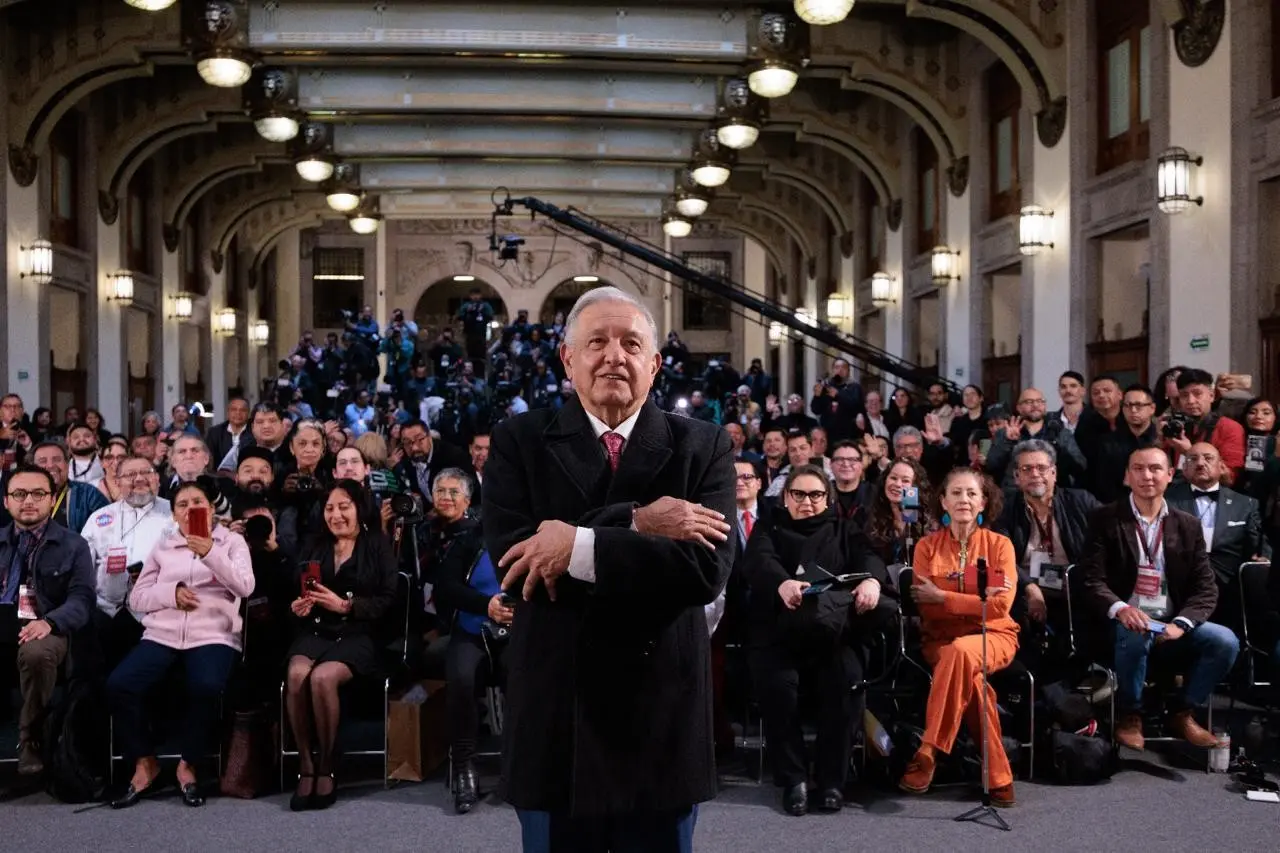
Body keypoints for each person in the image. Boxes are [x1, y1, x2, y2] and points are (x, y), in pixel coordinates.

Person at [482, 286, 735, 853]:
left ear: (655, 363)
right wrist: (641, 522)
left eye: (630, 343)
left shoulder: (704, 445)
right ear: (568, 359)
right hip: (557, 709)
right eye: (596, 341)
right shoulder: (518, 441)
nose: (613, 356)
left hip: (660, 711)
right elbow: (516, 563)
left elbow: (703, 571)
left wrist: (574, 541)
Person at [744, 465, 890, 816]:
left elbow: (869, 558)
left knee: (846, 683)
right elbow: (759, 562)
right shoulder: (769, 528)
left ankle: (831, 781)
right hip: (780, 635)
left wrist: (872, 581)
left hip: (833, 635)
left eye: (816, 495)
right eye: (799, 494)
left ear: (827, 498)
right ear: (786, 497)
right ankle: (793, 779)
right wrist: (782, 582)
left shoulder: (844, 529)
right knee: (778, 687)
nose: (808, 502)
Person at [1077, 446, 1239, 750]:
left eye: (1154, 469)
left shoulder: (1187, 525)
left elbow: (1206, 587)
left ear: (1169, 475)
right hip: (1121, 623)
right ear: (1127, 476)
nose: (1146, 476)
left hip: (1170, 622)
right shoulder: (1105, 518)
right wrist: (1121, 608)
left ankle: (1182, 711)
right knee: (1135, 630)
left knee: (1225, 641)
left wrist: (1182, 623)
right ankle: (1130, 714)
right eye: (1138, 469)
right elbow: (1091, 579)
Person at [107, 479, 255, 809]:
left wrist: (210, 553)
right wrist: (170, 594)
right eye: (182, 505)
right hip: (162, 633)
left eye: (197, 503)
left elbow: (245, 586)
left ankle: (188, 765)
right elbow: (139, 597)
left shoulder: (231, 542)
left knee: (205, 685)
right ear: (174, 514)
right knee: (120, 684)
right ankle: (145, 763)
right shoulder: (164, 547)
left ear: (212, 509)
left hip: (213, 633)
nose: (190, 509)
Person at [900, 468, 1019, 807]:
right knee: (975, 684)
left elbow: (1000, 608)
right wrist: (974, 599)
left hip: (994, 637)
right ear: (943, 501)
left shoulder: (1000, 546)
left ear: (983, 501)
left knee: (962, 652)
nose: (963, 499)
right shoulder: (926, 546)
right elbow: (927, 609)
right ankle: (998, 776)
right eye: (955, 493)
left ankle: (929, 749)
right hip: (940, 640)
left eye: (971, 493)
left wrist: (945, 595)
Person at [284, 480, 399, 811]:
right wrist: (299, 606)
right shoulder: (313, 544)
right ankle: (305, 764)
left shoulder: (378, 544)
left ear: (359, 508)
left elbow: (389, 600)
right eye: (330, 508)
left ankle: (328, 765)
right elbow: (299, 590)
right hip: (317, 629)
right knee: (296, 675)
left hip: (360, 633)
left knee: (322, 678)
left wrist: (347, 606)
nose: (336, 515)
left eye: (344, 506)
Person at [1, 465, 95, 775]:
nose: (28, 500)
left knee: (37, 652)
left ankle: (31, 739)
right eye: (19, 494)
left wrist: (50, 622)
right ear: (6, 501)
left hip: (47, 625)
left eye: (38, 493)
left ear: (52, 499)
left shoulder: (73, 545)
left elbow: (82, 600)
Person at [430, 470, 502, 814]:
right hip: (471, 630)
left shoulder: (533, 534)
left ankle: (519, 765)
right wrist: (485, 605)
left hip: (519, 632)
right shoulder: (471, 538)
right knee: (460, 678)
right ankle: (464, 768)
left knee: (531, 676)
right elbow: (446, 588)